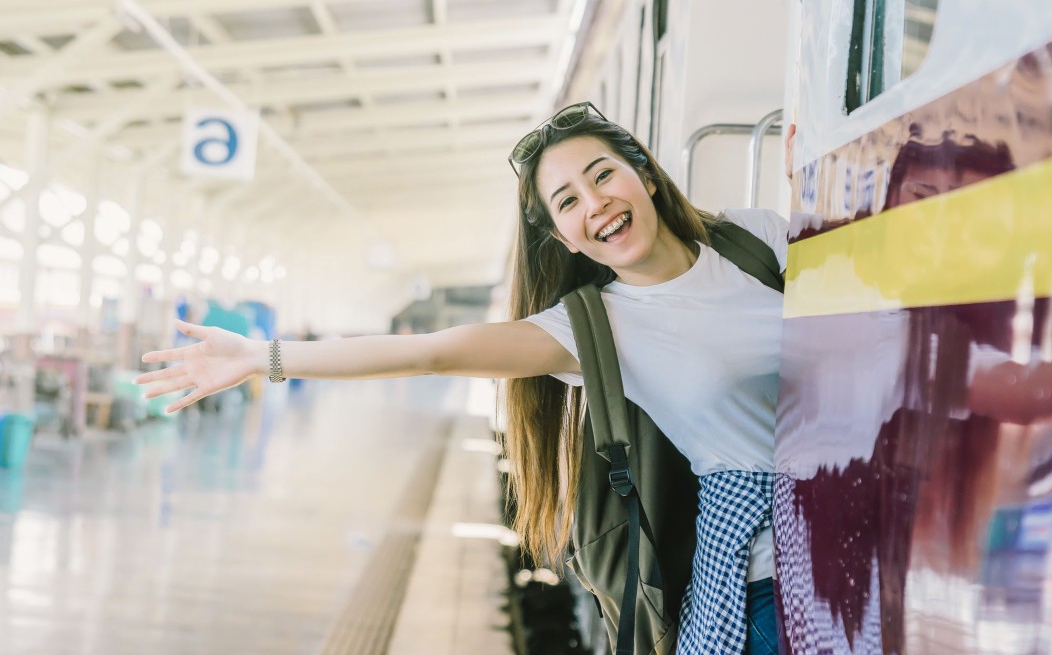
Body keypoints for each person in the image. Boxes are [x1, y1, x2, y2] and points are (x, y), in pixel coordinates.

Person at [134, 102, 791, 655]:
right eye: (568, 201)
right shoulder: (593, 328)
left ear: (644, 174)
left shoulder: (758, 240)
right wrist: (263, 357)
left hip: (853, 526)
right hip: (761, 588)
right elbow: (433, 354)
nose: (596, 204)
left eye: (603, 176)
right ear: (562, 237)